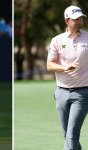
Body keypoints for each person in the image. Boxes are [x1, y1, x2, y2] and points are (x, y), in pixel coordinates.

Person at [47, 5, 88, 150]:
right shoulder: (57, 40)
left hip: (82, 93)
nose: (79, 21)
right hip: (62, 92)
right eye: (75, 19)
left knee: (72, 134)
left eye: (80, 19)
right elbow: (50, 65)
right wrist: (64, 67)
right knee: (68, 135)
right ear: (67, 21)